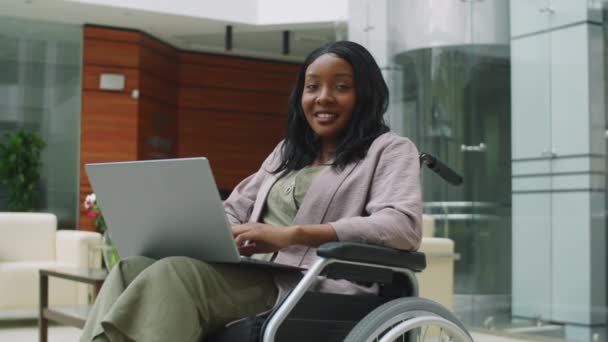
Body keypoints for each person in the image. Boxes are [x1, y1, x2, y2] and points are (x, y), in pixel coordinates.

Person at [80, 40, 422, 342]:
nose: (323, 98)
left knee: (174, 276)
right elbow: (236, 206)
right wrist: (209, 228)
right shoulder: (289, 152)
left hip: (311, 284)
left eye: (341, 86)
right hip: (254, 272)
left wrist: (293, 235)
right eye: (312, 86)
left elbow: (402, 226)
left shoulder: (389, 150)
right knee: (131, 267)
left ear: (366, 94)